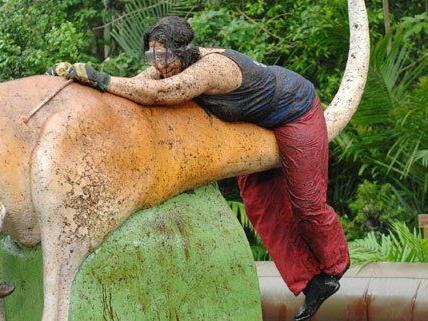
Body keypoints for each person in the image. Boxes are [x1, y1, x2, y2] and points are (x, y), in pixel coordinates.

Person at [47, 16, 350, 321]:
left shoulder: (210, 69)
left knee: (307, 202)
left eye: (164, 56)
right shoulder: (172, 63)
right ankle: (313, 282)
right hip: (256, 123)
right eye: (152, 56)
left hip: (296, 110)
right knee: (259, 207)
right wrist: (82, 82)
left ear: (184, 51)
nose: (159, 64)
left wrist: (101, 78)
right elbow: (139, 85)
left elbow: (161, 93)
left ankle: (335, 265)